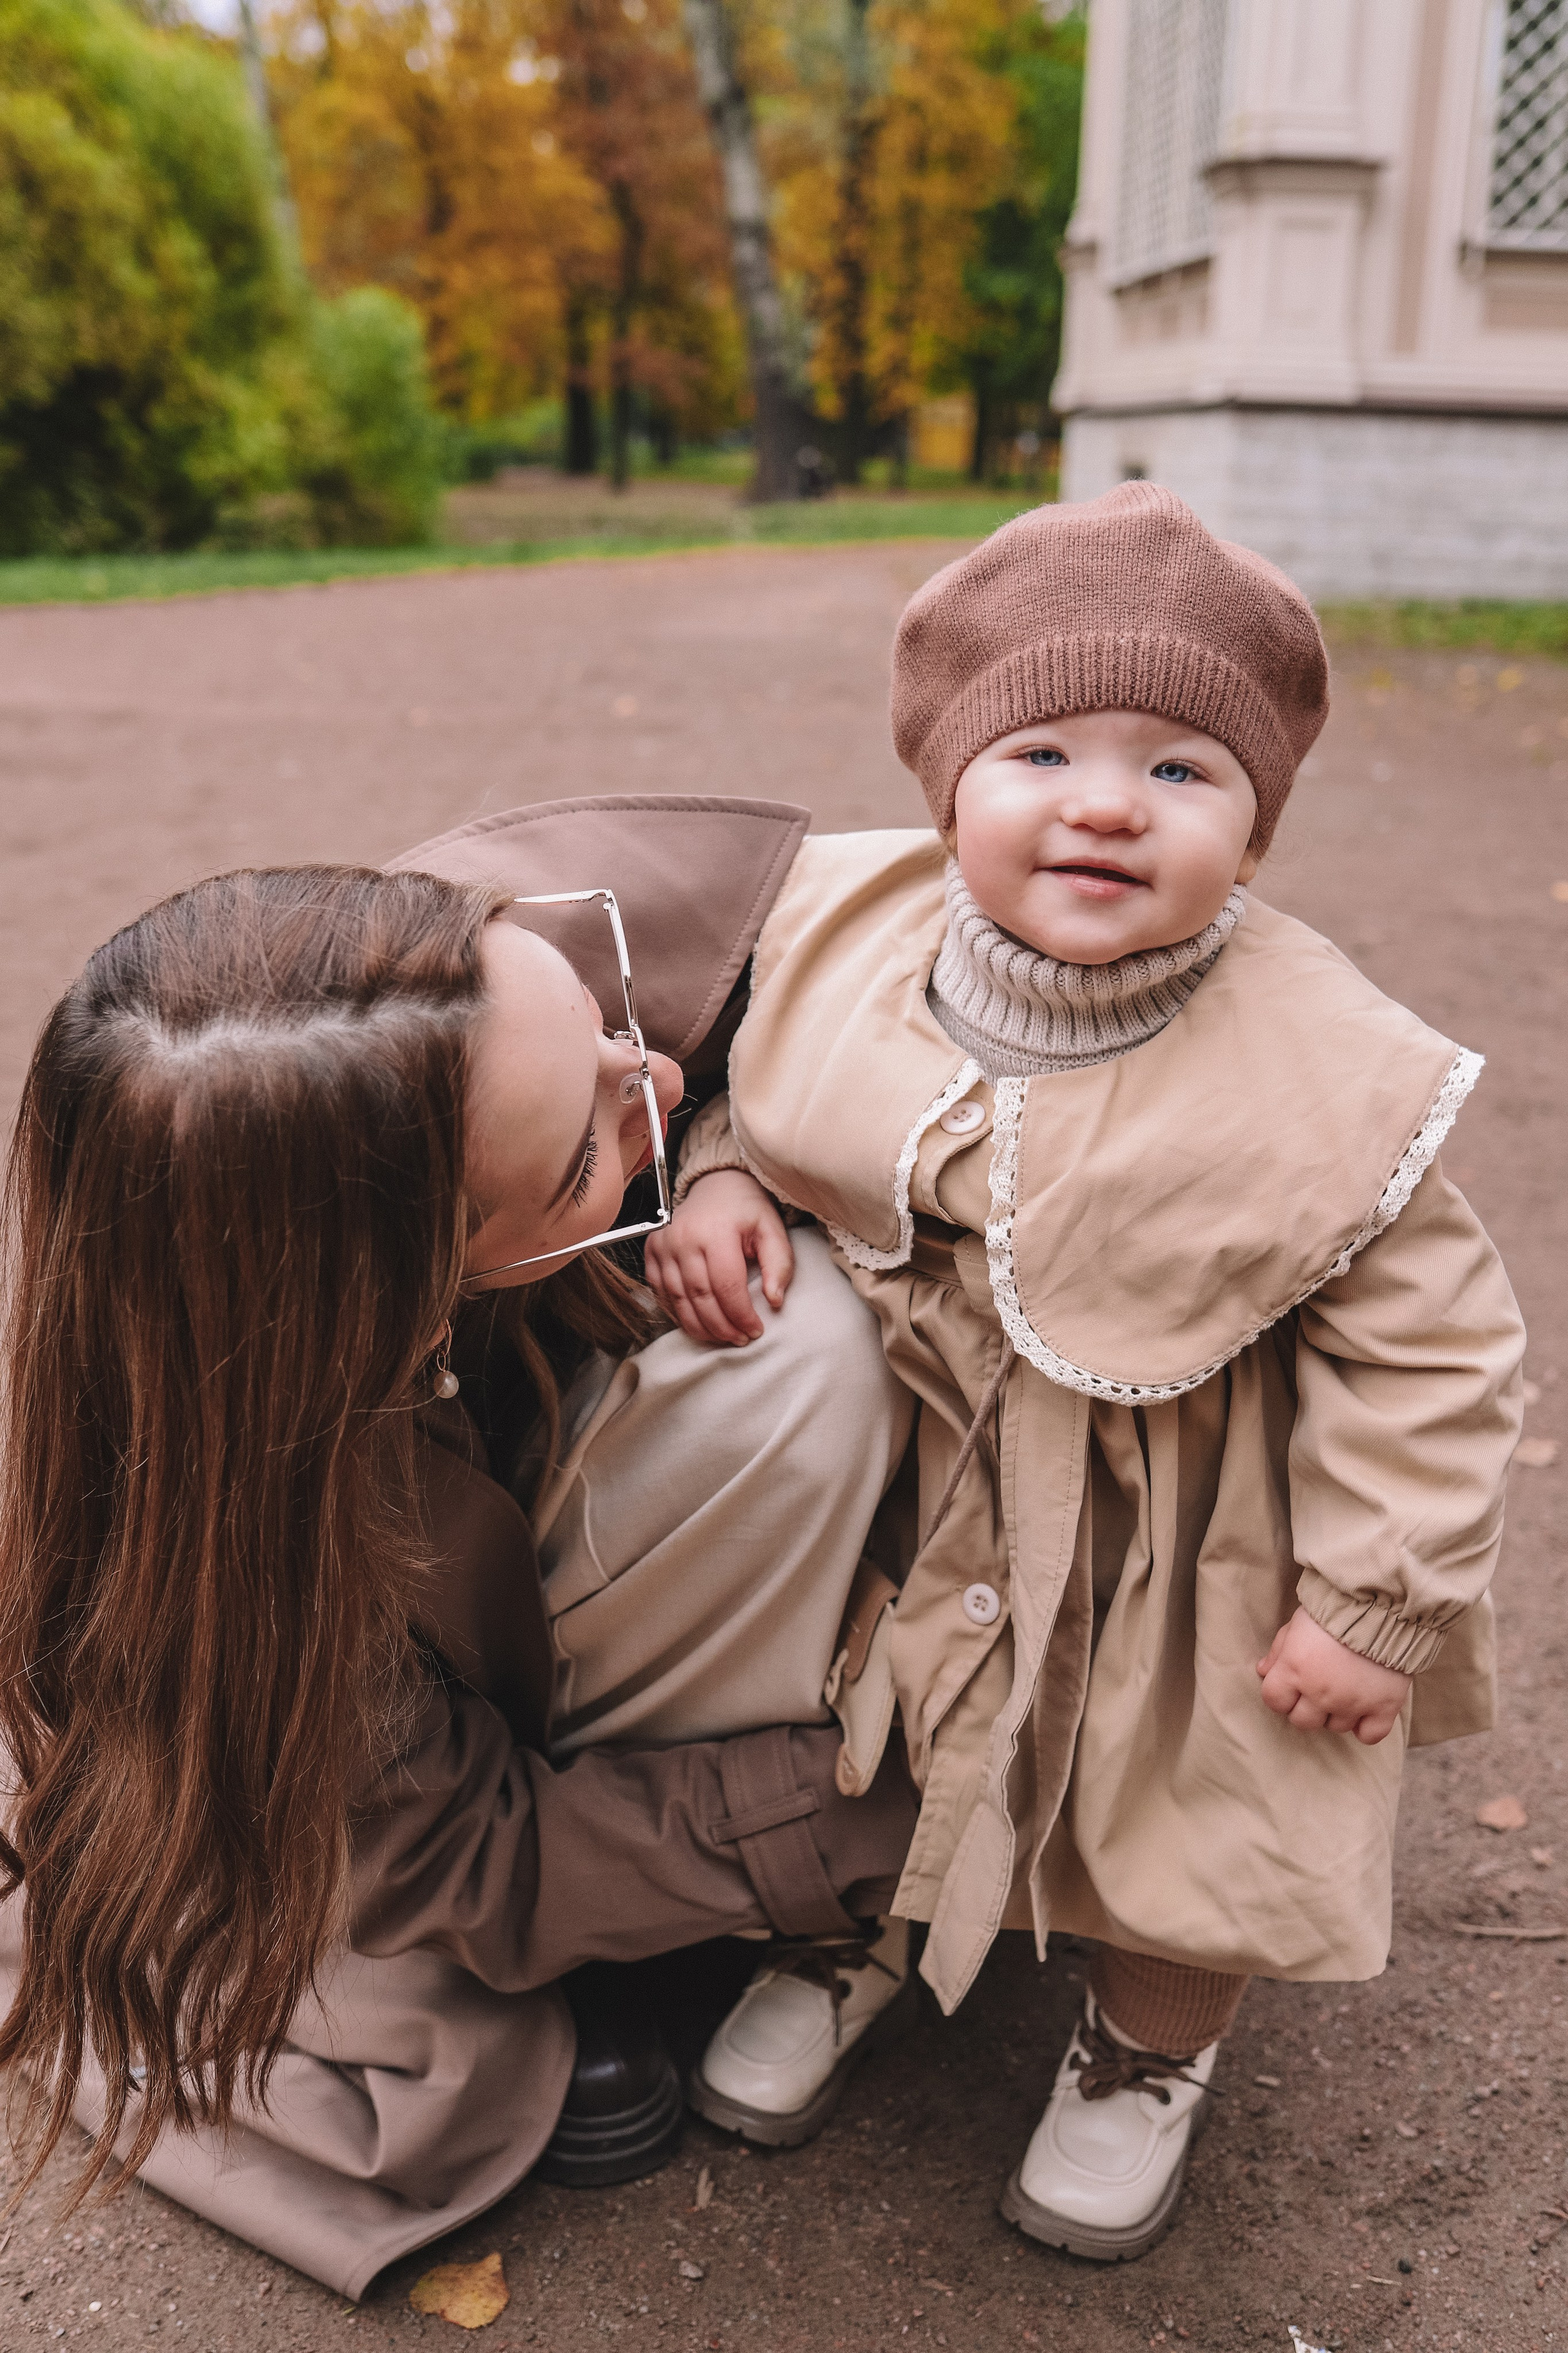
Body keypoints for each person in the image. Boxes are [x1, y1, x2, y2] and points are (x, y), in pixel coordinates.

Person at [645, 485, 1526, 2260]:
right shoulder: (857, 944)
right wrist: (727, 1168)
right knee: (856, 1715)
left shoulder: (1319, 1061)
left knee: (1198, 1791)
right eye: (1041, 748)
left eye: (1188, 771)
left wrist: (1376, 1596)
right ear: (947, 790)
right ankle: (848, 1934)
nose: (1112, 801)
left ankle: (1149, 2043)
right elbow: (775, 1084)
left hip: (1187, 1522)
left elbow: (1437, 1339)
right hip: (929, 1472)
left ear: (1259, 836)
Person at [0, 795, 921, 2300]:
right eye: (582, 1155)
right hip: (426, 1716)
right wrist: (898, 1808)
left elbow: (785, 981)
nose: (657, 1077)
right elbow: (468, 1858)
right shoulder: (245, 1542)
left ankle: (673, 1872)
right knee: (799, 1366)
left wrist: (731, 1150)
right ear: (394, 1296)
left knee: (798, 1339)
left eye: (603, 1023)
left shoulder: (473, 966)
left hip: (514, 1476)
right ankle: (642, 1938)